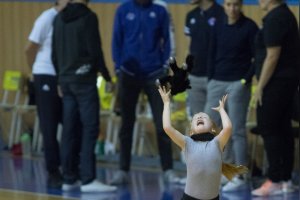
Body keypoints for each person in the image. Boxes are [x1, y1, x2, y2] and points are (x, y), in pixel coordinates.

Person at [110, 0, 178, 185]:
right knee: (126, 125)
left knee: (162, 124)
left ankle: (168, 170)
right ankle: (123, 170)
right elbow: (116, 39)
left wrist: (165, 67)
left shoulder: (160, 9)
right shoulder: (123, 9)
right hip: (128, 74)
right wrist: (118, 67)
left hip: (155, 73)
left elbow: (169, 38)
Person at [52, 0, 116, 192]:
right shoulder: (88, 17)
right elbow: (95, 50)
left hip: (66, 80)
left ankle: (69, 178)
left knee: (69, 128)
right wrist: (107, 77)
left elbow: (54, 53)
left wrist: (60, 79)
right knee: (90, 127)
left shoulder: (58, 18)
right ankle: (88, 179)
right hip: (84, 81)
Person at [203, 0, 258, 191]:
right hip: (217, 81)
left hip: (238, 83)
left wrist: (245, 80)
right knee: (210, 127)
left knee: (236, 129)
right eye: (228, 4)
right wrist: (210, 78)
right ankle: (227, 169)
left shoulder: (250, 27)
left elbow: (258, 56)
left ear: (241, 5)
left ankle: (241, 175)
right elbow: (211, 52)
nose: (232, 8)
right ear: (224, 6)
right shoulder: (218, 25)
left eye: (236, 4)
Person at [158, 87, 247, 200]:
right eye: (195, 118)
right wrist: (166, 103)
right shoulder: (187, 142)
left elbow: (228, 127)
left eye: (204, 117)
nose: (199, 116)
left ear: (213, 129)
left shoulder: (217, 142)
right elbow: (167, 127)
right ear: (191, 131)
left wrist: (221, 110)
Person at [251, 0, 300, 196]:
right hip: (286, 82)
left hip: (275, 83)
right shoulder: (285, 14)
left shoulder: (276, 18)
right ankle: (286, 179)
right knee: (283, 128)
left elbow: (272, 56)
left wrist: (260, 87)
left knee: (268, 127)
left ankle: (275, 179)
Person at [25, 0, 69, 189]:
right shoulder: (46, 18)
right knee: (49, 126)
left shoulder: (70, 19)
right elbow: (29, 49)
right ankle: (53, 171)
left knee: (70, 123)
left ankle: (70, 168)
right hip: (45, 75)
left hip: (64, 77)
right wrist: (35, 73)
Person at [184, 0, 224, 117]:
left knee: (215, 122)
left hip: (216, 77)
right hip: (194, 76)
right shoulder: (191, 15)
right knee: (198, 122)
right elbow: (189, 48)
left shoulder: (222, 14)